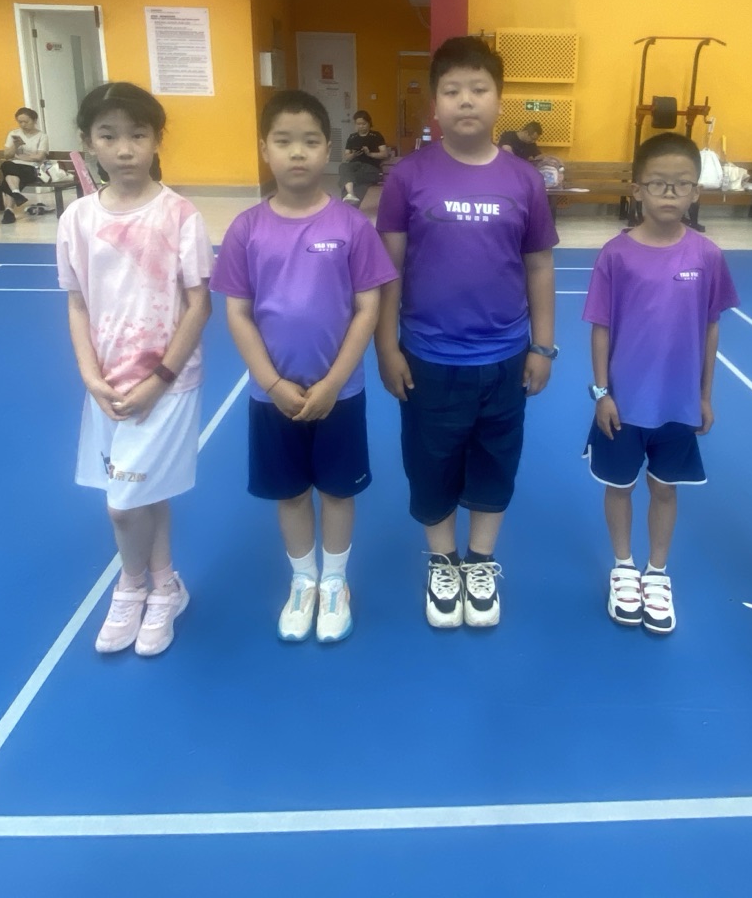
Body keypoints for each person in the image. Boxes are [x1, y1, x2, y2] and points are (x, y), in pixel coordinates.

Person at [377, 36, 558, 630]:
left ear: (499, 100)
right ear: (435, 103)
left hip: (505, 357)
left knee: (494, 461)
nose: (465, 100)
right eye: (452, 90)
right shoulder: (408, 178)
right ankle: (442, 560)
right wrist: (386, 345)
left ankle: (479, 561)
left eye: (479, 89)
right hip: (427, 357)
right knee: (430, 463)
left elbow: (539, 266)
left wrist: (542, 345)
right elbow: (388, 270)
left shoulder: (524, 180)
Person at [213, 91, 397, 644]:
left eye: (311, 141)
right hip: (273, 397)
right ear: (264, 149)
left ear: (329, 150)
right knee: (291, 493)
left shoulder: (352, 226)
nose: (298, 152)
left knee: (338, 491)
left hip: (340, 393)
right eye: (284, 141)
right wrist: (271, 382)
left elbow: (368, 308)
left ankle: (335, 582)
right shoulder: (246, 229)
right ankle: (304, 581)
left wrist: (335, 381)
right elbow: (238, 314)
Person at [58, 82, 213, 657]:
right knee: (145, 490)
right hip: (108, 385)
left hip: (166, 385)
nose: (124, 149)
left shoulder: (180, 215)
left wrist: (160, 380)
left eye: (138, 135)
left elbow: (199, 305)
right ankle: (165, 585)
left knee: (121, 505)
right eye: (109, 136)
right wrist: (89, 375)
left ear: (155, 140)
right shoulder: (76, 219)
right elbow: (77, 303)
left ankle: (130, 585)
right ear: (87, 142)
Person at [585, 132, 738, 635]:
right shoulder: (615, 255)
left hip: (678, 405)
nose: (670, 193)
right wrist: (602, 392)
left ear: (696, 191)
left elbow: (711, 328)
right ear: (638, 190)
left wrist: (705, 395)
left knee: (665, 489)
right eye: (658, 183)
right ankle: (623, 567)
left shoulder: (707, 256)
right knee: (620, 486)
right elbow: (601, 328)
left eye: (681, 184)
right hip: (624, 404)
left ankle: (656, 572)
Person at [0, 106, 52, 224]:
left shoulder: (42, 136)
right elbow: (7, 155)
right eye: (20, 122)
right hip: (14, 166)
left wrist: (20, 157)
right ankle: (15, 194)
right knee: (6, 165)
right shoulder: (14, 134)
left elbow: (40, 157)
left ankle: (9, 210)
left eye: (26, 122)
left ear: (34, 120)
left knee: (10, 175)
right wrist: (15, 146)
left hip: (32, 168)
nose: (23, 125)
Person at [338, 110, 391, 205]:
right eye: (358, 124)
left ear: (369, 123)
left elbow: (384, 154)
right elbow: (347, 157)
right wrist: (354, 155)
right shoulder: (352, 137)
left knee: (347, 180)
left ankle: (350, 196)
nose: (361, 126)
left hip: (371, 168)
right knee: (343, 167)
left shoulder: (376, 136)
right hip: (355, 165)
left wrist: (369, 154)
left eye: (364, 124)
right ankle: (350, 195)